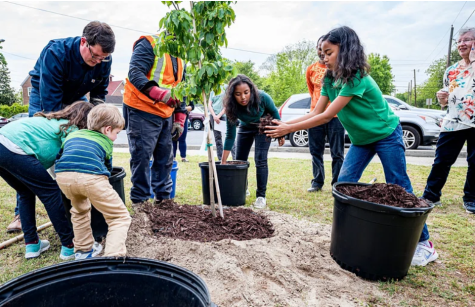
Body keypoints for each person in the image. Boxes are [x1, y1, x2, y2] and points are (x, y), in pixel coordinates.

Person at [265, 26, 438, 266]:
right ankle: (348, 233)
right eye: (321, 53)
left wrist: (287, 129)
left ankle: (424, 244)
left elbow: (327, 117)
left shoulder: (357, 77)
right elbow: (316, 110)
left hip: (386, 134)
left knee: (399, 185)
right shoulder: (328, 78)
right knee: (343, 184)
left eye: (328, 52)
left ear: (345, 50)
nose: (323, 57)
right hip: (361, 141)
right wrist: (285, 123)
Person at [6, 21, 115, 233]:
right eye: (95, 56)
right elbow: (52, 108)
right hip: (45, 96)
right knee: (35, 154)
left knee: (85, 139)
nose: (98, 61)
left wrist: (97, 124)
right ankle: (21, 214)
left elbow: (99, 94)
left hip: (77, 97)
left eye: (103, 58)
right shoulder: (56, 53)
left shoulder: (103, 59)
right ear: (84, 42)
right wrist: (66, 137)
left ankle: (79, 199)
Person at [0, 101, 93, 259]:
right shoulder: (71, 128)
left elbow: (54, 163)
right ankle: (69, 246)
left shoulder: (52, 121)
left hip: (3, 143)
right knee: (51, 193)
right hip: (15, 147)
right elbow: (70, 159)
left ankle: (32, 245)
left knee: (25, 192)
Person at [55, 104, 131, 259]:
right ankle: (113, 257)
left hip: (63, 176)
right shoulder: (105, 141)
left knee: (79, 210)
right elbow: (107, 168)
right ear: (107, 129)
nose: (116, 137)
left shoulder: (73, 135)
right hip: (91, 177)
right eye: (116, 132)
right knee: (119, 217)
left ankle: (83, 251)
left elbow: (59, 156)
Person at [123, 33, 187, 207]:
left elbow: (182, 86)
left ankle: (163, 199)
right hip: (142, 108)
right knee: (142, 156)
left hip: (166, 112)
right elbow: (135, 73)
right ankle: (140, 201)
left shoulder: (181, 53)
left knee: (165, 158)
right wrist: (160, 94)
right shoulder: (149, 44)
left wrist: (179, 118)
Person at [421, 27, 475, 214]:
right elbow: (448, 98)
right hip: (453, 121)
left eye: (467, 40)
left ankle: (471, 198)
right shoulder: (452, 71)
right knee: (442, 160)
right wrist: (442, 99)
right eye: (459, 41)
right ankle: (430, 195)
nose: (461, 44)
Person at [222, 74, 284, 209]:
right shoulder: (231, 107)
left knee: (260, 160)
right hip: (245, 127)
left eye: (246, 92)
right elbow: (230, 135)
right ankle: (242, 188)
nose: (243, 97)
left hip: (262, 126)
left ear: (251, 90)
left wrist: (281, 134)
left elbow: (275, 112)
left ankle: (261, 196)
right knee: (240, 160)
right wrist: (223, 161)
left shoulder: (262, 97)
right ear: (233, 95)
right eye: (238, 94)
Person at [305, 37, 345, 192]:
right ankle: (317, 182)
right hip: (315, 115)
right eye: (319, 48)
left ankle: (336, 184)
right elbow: (312, 91)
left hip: (335, 117)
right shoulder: (311, 69)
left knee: (337, 153)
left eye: (326, 50)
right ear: (317, 48)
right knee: (315, 151)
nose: (322, 52)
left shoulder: (337, 69)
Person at [208, 85, 236, 161]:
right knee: (217, 138)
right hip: (213, 116)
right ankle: (220, 159)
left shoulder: (225, 87)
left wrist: (219, 115)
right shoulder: (213, 90)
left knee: (230, 136)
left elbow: (227, 104)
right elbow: (209, 104)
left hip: (223, 115)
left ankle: (235, 158)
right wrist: (214, 116)